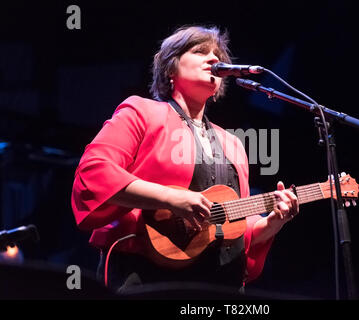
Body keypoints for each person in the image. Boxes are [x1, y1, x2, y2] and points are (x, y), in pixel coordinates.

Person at [71, 25, 299, 295]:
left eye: (218, 55)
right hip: (149, 275)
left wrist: (271, 223)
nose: (214, 59)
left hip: (219, 283)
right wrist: (170, 198)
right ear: (170, 69)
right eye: (200, 51)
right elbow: (94, 174)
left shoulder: (233, 143)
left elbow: (233, 226)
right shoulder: (141, 112)